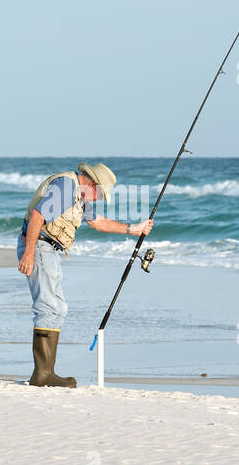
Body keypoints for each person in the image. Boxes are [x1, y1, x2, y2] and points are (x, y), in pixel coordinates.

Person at [17, 162, 152, 387]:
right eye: (101, 194)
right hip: (39, 247)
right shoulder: (66, 188)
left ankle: (46, 372)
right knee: (48, 308)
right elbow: (38, 216)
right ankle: (42, 374)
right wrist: (29, 255)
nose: (99, 199)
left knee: (58, 308)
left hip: (50, 251)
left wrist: (133, 229)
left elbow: (96, 222)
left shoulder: (81, 194)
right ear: (92, 183)